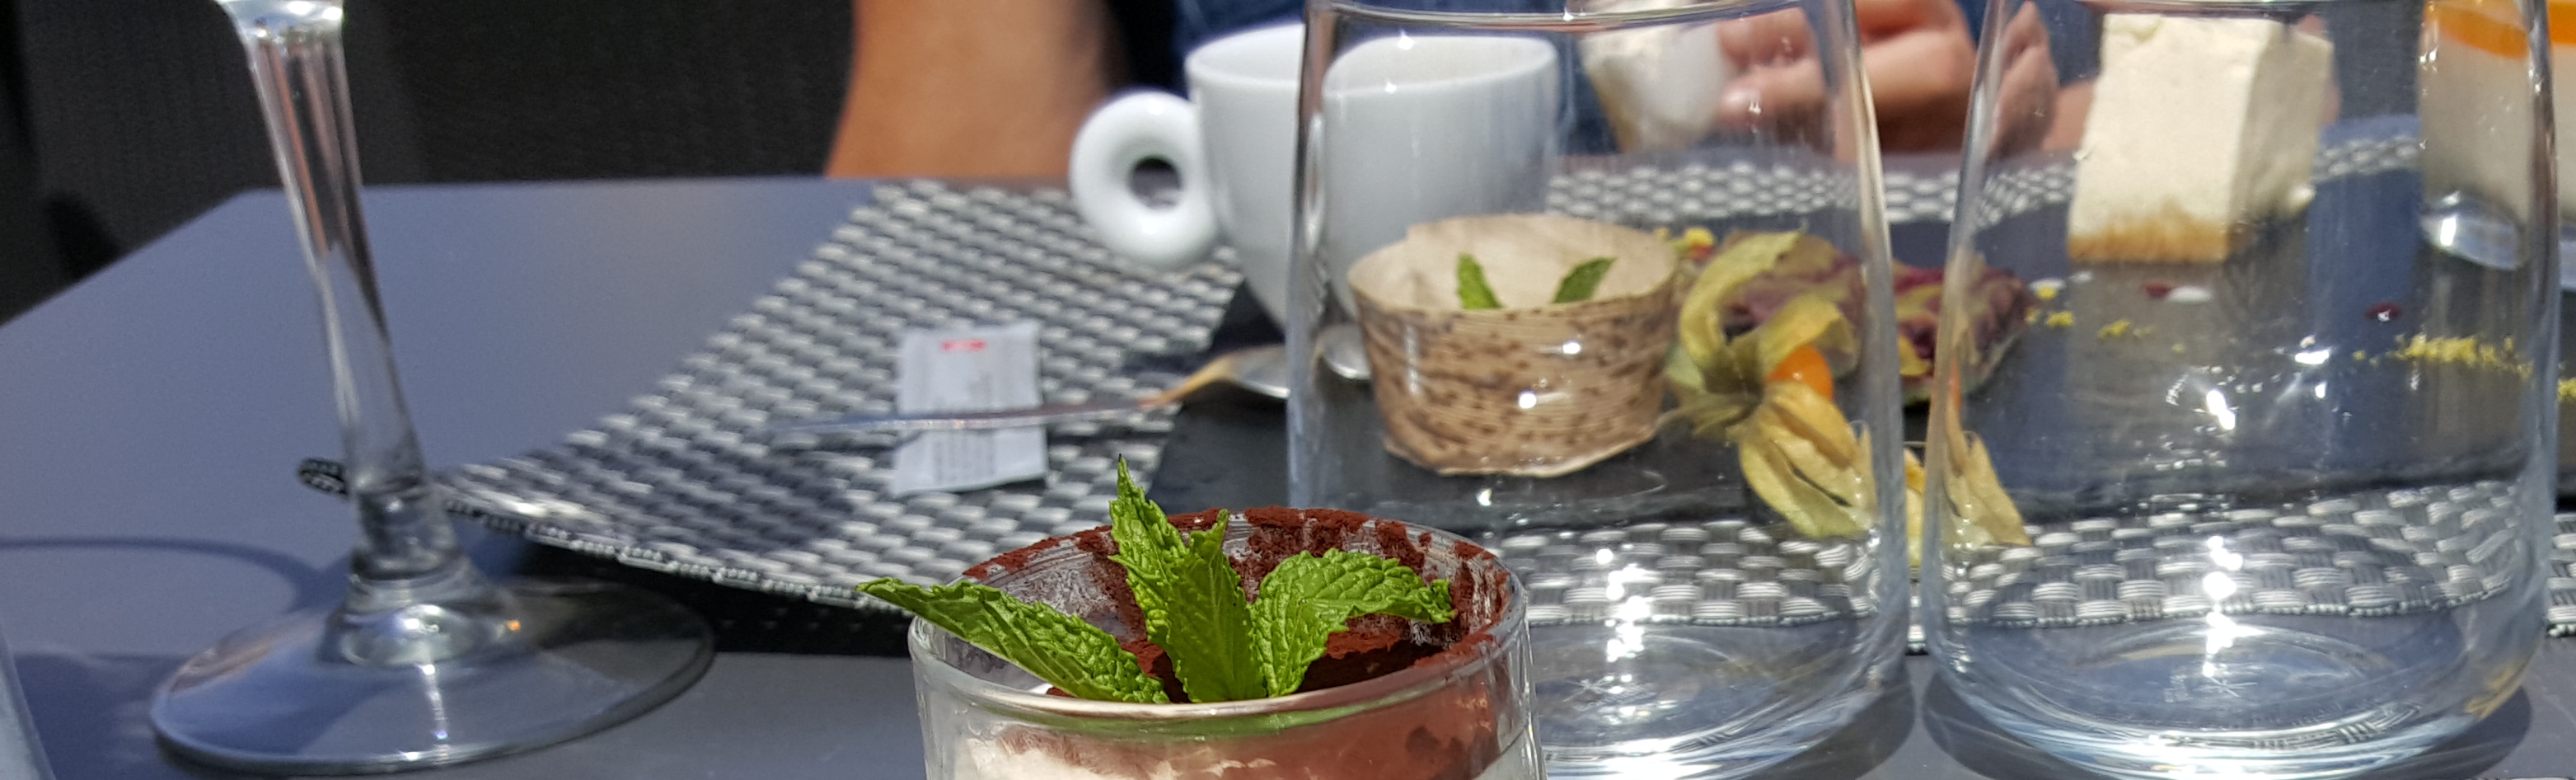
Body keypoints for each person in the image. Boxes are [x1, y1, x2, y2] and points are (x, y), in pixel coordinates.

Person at [830, 0, 2035, 177]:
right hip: (1347, 484)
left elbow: (2107, 107)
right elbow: (938, 222)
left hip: (1841, 487)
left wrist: (2010, 130)